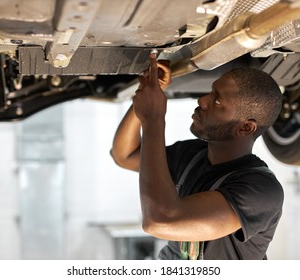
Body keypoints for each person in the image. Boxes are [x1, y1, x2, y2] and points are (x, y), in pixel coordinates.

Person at [110, 53, 284, 260]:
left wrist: (153, 118)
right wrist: (148, 97)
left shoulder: (260, 190)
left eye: (217, 100)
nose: (203, 100)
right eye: (211, 92)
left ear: (246, 127)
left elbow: (159, 221)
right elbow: (125, 155)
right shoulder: (192, 155)